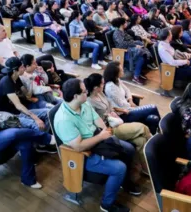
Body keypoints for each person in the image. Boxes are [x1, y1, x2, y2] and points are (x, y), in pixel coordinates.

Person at [54, 78, 140, 212]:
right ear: (75, 96)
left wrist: (105, 131)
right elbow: (78, 147)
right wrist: (101, 136)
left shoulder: (84, 103)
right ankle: (107, 204)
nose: (87, 92)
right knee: (119, 168)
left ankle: (123, 182)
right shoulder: (64, 120)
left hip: (97, 140)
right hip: (82, 155)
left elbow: (96, 119)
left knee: (129, 149)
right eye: (84, 91)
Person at [85, 73, 151, 175]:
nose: (104, 85)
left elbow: (110, 106)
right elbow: (95, 122)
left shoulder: (100, 93)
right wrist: (109, 116)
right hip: (109, 129)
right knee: (143, 128)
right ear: (95, 87)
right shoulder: (89, 102)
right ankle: (157, 148)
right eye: (102, 84)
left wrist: (114, 112)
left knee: (141, 140)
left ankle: (145, 169)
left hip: (115, 121)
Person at [0, 57, 55, 154]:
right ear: (15, 70)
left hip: (20, 109)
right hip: (12, 115)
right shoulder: (7, 82)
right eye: (22, 67)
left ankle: (41, 144)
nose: (24, 68)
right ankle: (40, 144)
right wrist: (35, 117)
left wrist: (31, 81)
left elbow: (27, 95)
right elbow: (18, 105)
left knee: (49, 112)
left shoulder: (16, 78)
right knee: (36, 123)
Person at [103, 62, 161, 134]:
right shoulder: (110, 87)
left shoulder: (117, 80)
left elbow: (127, 90)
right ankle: (163, 131)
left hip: (129, 108)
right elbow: (121, 104)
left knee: (153, 118)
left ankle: (153, 137)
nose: (123, 71)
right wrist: (134, 107)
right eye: (121, 70)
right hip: (123, 114)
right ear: (115, 73)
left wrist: (130, 100)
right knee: (153, 107)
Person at [111, 18, 150, 84]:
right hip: (123, 52)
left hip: (129, 49)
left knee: (143, 51)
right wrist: (134, 45)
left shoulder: (123, 31)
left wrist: (136, 44)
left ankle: (138, 72)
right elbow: (122, 44)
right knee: (140, 57)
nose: (127, 24)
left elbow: (130, 41)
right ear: (121, 24)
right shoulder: (117, 33)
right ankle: (136, 77)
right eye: (125, 22)